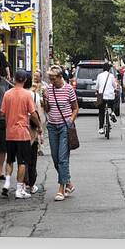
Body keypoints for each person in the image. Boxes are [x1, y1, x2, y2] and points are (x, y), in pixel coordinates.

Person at [0, 70, 40, 199]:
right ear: (24, 80)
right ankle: (19, 189)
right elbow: (33, 113)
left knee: (10, 159)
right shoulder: (27, 95)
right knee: (22, 161)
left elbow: (2, 112)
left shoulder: (7, 94)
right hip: (22, 132)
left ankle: (6, 183)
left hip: (10, 132)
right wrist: (39, 125)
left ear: (14, 79)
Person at [43, 65, 79, 202]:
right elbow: (47, 109)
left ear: (60, 77)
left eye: (53, 78)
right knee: (55, 158)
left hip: (65, 126)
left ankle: (61, 188)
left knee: (62, 158)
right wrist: (45, 99)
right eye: (50, 79)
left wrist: (71, 120)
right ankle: (68, 182)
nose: (51, 81)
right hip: (52, 126)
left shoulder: (69, 89)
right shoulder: (49, 89)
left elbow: (75, 108)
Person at [23, 74, 43, 194]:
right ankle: (31, 184)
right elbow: (37, 114)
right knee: (31, 158)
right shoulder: (34, 96)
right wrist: (40, 128)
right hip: (31, 130)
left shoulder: (12, 94)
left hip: (17, 130)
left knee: (21, 159)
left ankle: (22, 183)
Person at [95, 63, 119, 134]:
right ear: (109, 69)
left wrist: (97, 90)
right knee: (114, 100)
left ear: (103, 69)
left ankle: (101, 128)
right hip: (110, 96)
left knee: (101, 111)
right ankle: (112, 112)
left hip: (102, 96)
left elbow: (97, 86)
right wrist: (115, 89)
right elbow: (115, 86)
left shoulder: (99, 76)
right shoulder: (111, 76)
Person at [30, 70, 47, 155]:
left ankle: (40, 147)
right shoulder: (31, 85)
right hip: (33, 109)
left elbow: (47, 99)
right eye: (34, 75)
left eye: (37, 76)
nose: (35, 77)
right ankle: (34, 146)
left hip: (41, 109)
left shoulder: (44, 86)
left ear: (41, 77)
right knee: (34, 128)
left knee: (41, 128)